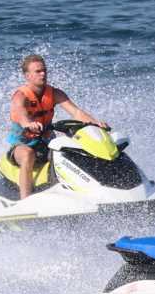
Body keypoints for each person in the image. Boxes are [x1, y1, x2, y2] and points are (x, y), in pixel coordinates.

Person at [8, 54, 107, 200]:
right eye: (38, 71)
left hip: (46, 143)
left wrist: (95, 123)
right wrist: (28, 124)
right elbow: (21, 112)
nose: (43, 74)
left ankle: (93, 192)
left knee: (75, 152)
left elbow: (76, 112)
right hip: (21, 145)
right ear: (27, 75)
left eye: (44, 70)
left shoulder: (54, 93)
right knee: (28, 154)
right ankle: (25, 201)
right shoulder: (21, 96)